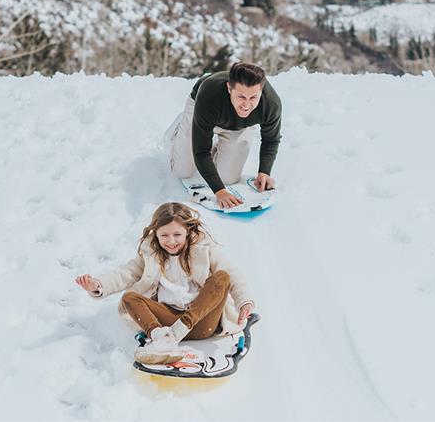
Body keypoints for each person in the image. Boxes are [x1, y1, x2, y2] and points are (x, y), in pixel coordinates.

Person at [75, 202, 255, 365]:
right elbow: (127, 272)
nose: (171, 241)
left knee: (221, 277)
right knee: (129, 298)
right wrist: (98, 285)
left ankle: (174, 334)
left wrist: (244, 301)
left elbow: (232, 272)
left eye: (177, 234)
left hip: (201, 321)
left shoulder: (204, 249)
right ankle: (162, 338)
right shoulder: (150, 253)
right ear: (156, 234)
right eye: (164, 235)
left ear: (188, 231)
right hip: (166, 322)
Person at [167, 61, 282, 210]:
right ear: (229, 88)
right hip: (204, 110)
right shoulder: (209, 97)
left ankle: (217, 147)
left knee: (228, 179)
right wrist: (219, 191)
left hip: (239, 125)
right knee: (182, 171)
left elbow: (271, 139)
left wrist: (264, 172)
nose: (246, 105)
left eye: (253, 97)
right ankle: (182, 130)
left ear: (261, 90)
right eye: (241, 97)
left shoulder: (271, 104)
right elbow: (201, 152)